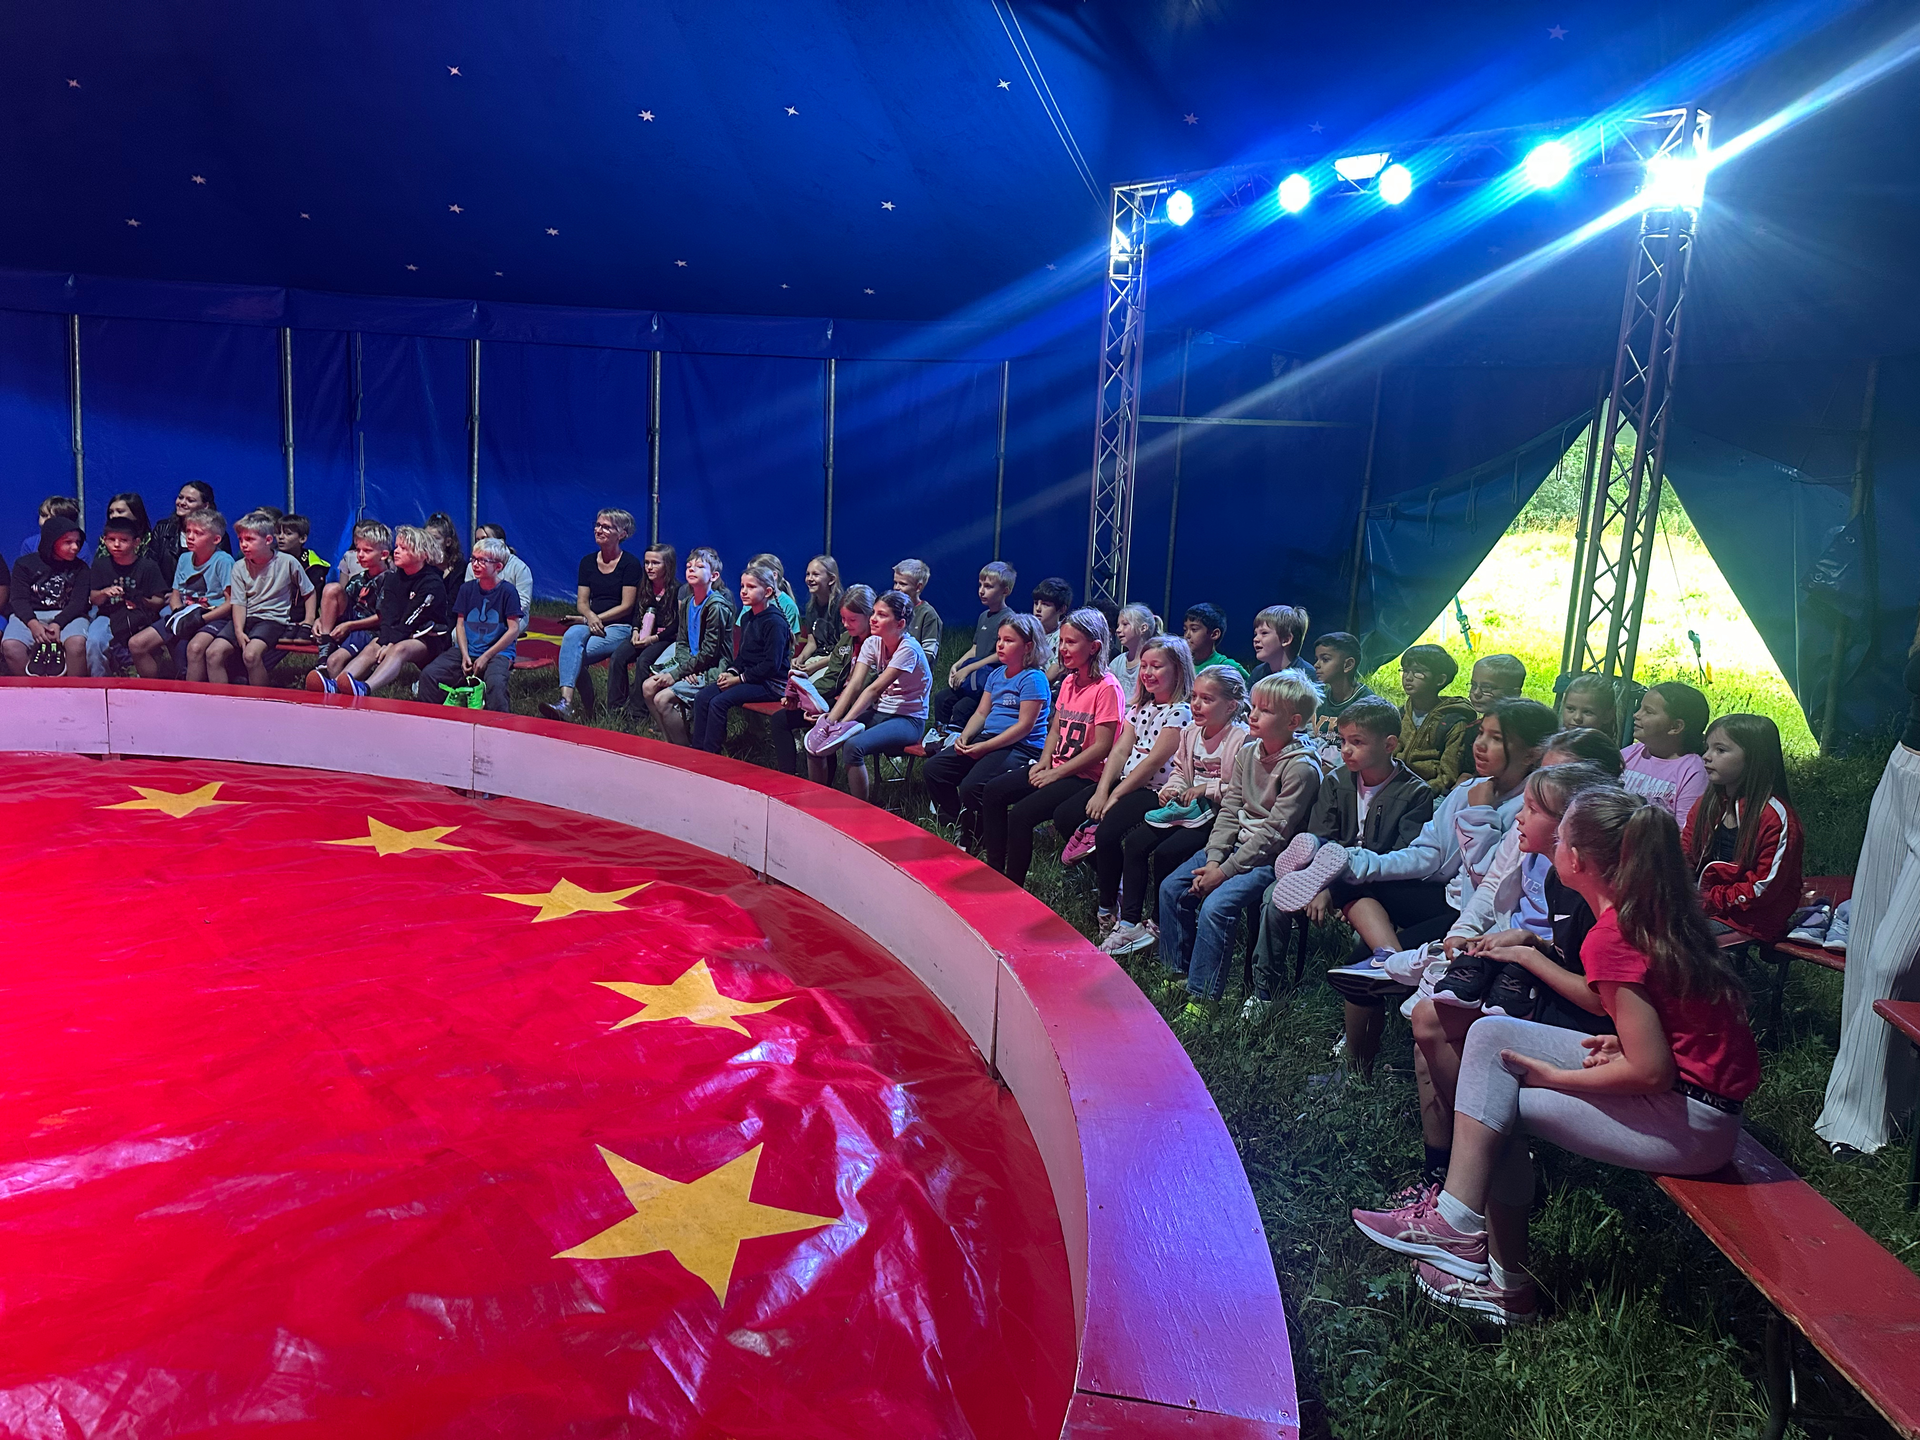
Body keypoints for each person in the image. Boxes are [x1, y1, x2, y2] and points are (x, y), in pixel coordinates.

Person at [1352, 788, 1758, 1327]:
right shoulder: (1644, 909)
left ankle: (1501, 1278)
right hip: (1692, 1096)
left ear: (1580, 860)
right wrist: (1539, 965)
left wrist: (1553, 1076)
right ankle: (1462, 1225)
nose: (1553, 846)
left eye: (1562, 838)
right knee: (1490, 1037)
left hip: (1694, 1121)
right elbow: (1647, 1016)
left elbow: (1651, 1071)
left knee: (1498, 1106)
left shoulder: (1612, 934)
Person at [1279, 698, 1559, 1075]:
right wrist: (1360, 862)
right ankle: (1387, 956)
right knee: (1348, 879)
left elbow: (1491, 885)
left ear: (1531, 753)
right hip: (1447, 897)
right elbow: (1428, 855)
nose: (1479, 745)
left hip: (1482, 919)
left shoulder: (1532, 808)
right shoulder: (1469, 789)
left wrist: (1480, 812)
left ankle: (1357, 1068)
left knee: (1356, 970)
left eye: (1496, 739)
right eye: (1480, 733)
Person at [1404, 761, 1623, 1197]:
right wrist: (1528, 942)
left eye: (1532, 810)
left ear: (1570, 829)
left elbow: (1601, 996)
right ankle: (1452, 1168)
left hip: (1600, 1027)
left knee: (1446, 1027)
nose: (1518, 818)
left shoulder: (1594, 895)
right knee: (1430, 1021)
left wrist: (1527, 954)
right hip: (1567, 993)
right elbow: (1571, 955)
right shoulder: (1560, 878)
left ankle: (1486, 1160)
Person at [1245, 696, 1435, 1014]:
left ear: (1389, 745)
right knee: (1275, 897)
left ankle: (1358, 1011)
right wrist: (1322, 884)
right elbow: (1323, 835)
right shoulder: (1335, 780)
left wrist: (1332, 889)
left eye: (1357, 742)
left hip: (1376, 882)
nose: (1345, 750)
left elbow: (1401, 858)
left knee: (1365, 930)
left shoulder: (1415, 793)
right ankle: (1267, 991)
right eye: (1343, 740)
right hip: (1323, 872)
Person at [1157, 673, 1323, 1021]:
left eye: (1266, 710)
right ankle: (1178, 972)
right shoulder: (1249, 752)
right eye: (1254, 706)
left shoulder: (1301, 768)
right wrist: (1214, 858)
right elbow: (1231, 810)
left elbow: (1275, 834)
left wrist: (1223, 873)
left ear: (1293, 722)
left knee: (1216, 907)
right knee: (1172, 888)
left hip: (1271, 859)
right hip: (1234, 850)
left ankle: (1204, 998)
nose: (1253, 715)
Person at [1816, 620, 1920, 1157]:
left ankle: (1870, 1120)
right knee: (1865, 948)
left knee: (1891, 960)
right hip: (1905, 769)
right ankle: (1865, 1110)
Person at [1102, 666, 1251, 958]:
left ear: (1231, 706)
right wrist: (1172, 788)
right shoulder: (1191, 732)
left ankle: (1160, 924)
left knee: (1167, 852)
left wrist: (1205, 790)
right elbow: (1180, 770)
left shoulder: (1240, 739)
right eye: (1194, 697)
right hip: (1187, 810)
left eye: (1207, 699)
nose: (1196, 704)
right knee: (1135, 843)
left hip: (1219, 817)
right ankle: (1130, 922)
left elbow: (1240, 789)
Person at [980, 609, 1125, 886]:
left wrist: (1056, 774)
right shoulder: (1069, 681)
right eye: (1061, 641)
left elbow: (1102, 748)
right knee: (993, 791)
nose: (1063, 648)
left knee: (1021, 815)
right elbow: (1056, 728)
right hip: (1057, 765)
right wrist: (1044, 761)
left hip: (1084, 776)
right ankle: (994, 868)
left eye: (1071, 642)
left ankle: (1012, 885)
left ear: (1094, 647)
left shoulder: (1107, 688)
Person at [1066, 636, 1198, 938]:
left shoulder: (1180, 712)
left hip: (1154, 791)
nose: (1147, 673)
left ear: (1178, 670)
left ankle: (1111, 909)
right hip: (1126, 783)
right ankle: (1114, 880)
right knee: (1068, 814)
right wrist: (1103, 790)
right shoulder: (1140, 708)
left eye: (1156, 666)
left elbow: (1153, 763)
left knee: (1108, 832)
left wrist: (1114, 797)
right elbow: (1120, 751)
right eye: (1144, 666)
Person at [923, 611, 1052, 846]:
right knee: (935, 769)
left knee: (972, 786)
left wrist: (985, 747)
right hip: (989, 738)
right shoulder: (997, 674)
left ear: (1028, 646)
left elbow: (1024, 726)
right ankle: (957, 822)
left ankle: (978, 837)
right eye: (999, 639)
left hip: (1021, 747)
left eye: (1009, 640)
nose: (1000, 645)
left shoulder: (1033, 679)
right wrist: (964, 737)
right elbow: (982, 713)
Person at [1682, 713, 1804, 943]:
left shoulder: (1774, 817)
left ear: (1753, 759)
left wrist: (1703, 901)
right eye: (1707, 748)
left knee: (1675, 939)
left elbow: (1762, 888)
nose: (1706, 756)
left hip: (1751, 918)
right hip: (1705, 903)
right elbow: (1685, 855)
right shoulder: (1707, 804)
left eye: (1720, 750)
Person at [807, 589, 930, 803]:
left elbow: (873, 690)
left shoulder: (909, 649)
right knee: (818, 740)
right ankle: (817, 799)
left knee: (853, 746)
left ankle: (861, 811)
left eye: (882, 615)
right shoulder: (873, 642)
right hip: (880, 712)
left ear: (900, 624)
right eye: (873, 612)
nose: (873, 618)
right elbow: (854, 685)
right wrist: (831, 721)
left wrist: (843, 725)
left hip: (908, 720)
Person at [319, 526, 449, 696]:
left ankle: (365, 688)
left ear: (423, 554)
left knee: (399, 649)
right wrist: (385, 640)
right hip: (400, 632)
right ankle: (336, 684)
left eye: (404, 548)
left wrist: (391, 643)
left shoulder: (432, 583)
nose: (397, 551)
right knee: (373, 646)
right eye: (397, 546)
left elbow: (412, 619)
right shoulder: (393, 578)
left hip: (428, 639)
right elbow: (388, 615)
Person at [543, 509, 644, 723]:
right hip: (593, 621)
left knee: (574, 656)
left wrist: (595, 619)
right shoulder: (588, 562)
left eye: (606, 527)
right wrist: (589, 617)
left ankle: (587, 710)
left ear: (622, 534)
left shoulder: (630, 564)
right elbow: (582, 602)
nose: (599, 530)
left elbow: (627, 606)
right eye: (597, 525)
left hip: (619, 626)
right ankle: (566, 702)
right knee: (572, 636)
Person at [196, 510, 317, 687]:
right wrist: (238, 631)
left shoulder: (287, 562)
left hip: (272, 620)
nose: (243, 545)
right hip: (247, 618)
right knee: (213, 653)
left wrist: (309, 619)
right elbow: (238, 603)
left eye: (249, 539)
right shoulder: (239, 567)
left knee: (251, 655)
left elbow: (309, 592)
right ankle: (222, 699)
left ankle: (259, 698)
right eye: (240, 540)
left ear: (268, 540)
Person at [772, 585, 874, 777]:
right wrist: (804, 700)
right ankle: (787, 776)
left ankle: (826, 784)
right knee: (780, 719)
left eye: (852, 620)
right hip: (836, 700)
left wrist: (828, 714)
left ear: (870, 616)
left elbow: (867, 688)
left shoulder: (878, 643)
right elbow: (832, 676)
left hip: (859, 707)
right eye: (842, 619)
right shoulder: (847, 639)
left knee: (821, 725)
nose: (845, 624)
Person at [692, 562, 793, 753]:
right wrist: (731, 672)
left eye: (751, 587)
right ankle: (698, 749)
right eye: (742, 586)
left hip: (771, 683)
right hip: (751, 678)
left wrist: (739, 680)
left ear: (768, 592)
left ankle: (711, 754)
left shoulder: (774, 622)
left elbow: (771, 665)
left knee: (719, 702)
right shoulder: (748, 617)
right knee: (702, 697)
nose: (744, 591)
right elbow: (744, 656)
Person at [415, 537, 525, 711]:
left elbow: (513, 629)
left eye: (482, 560)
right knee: (430, 674)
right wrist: (465, 654)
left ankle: (497, 723)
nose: (475, 564)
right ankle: (431, 717)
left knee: (496, 683)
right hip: (468, 649)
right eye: (473, 559)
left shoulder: (508, 591)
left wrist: (486, 656)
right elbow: (460, 624)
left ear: (498, 567)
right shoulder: (467, 589)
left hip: (498, 652)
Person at [641, 547, 734, 746]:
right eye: (689, 566)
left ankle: (683, 749)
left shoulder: (716, 607)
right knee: (648, 687)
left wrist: (678, 673)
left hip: (712, 668)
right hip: (691, 665)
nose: (691, 569)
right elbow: (682, 641)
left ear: (713, 576)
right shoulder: (688, 602)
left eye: (699, 567)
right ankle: (669, 741)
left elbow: (710, 653)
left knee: (662, 699)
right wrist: (684, 668)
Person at [131, 509, 233, 680]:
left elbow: (231, 602)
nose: (190, 537)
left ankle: (194, 693)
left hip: (213, 617)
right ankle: (152, 688)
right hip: (186, 614)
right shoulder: (184, 558)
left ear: (216, 539)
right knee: (136, 644)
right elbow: (175, 595)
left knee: (195, 648)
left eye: (198, 533)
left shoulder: (223, 561)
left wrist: (200, 619)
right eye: (188, 531)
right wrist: (180, 614)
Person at [933, 561, 1017, 735]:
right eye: (980, 585)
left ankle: (958, 740)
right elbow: (975, 648)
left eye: (988, 586)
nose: (981, 590)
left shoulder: (1009, 619)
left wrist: (970, 668)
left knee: (963, 708)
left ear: (1005, 591)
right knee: (942, 698)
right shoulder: (983, 616)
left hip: (989, 681)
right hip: (973, 679)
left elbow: (1000, 655)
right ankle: (940, 737)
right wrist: (957, 665)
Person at [307, 523, 393, 688]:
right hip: (351, 623)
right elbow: (342, 603)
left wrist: (349, 626)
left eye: (367, 551)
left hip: (369, 629)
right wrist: (320, 620)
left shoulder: (390, 580)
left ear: (383, 555)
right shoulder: (358, 579)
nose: (360, 555)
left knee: (334, 662)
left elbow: (383, 618)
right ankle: (324, 649)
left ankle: (336, 688)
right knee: (332, 588)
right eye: (358, 550)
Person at [4, 516, 92, 677]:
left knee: (77, 644)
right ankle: (31, 687)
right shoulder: (24, 564)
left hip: (68, 614)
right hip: (31, 615)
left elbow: (78, 603)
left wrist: (58, 623)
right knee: (11, 646)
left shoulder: (81, 568)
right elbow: (18, 600)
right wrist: (33, 624)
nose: (75, 547)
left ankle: (74, 688)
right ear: (51, 542)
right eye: (68, 542)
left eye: (77, 542)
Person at [603, 542, 681, 716]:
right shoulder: (644, 586)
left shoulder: (677, 590)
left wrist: (653, 639)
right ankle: (615, 707)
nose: (649, 567)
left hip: (664, 638)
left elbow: (676, 625)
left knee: (644, 661)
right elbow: (637, 613)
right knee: (618, 657)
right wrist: (635, 631)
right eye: (646, 563)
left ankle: (638, 711)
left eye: (655, 563)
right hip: (643, 634)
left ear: (668, 565)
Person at [84, 515, 166, 676]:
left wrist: (140, 600)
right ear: (104, 540)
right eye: (111, 539)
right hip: (108, 615)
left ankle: (143, 679)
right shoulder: (101, 564)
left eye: (123, 540)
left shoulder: (148, 566)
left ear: (136, 542)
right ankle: (101, 682)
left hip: (140, 616)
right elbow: (94, 599)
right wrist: (104, 592)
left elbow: (159, 601)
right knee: (94, 641)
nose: (116, 544)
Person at [1621, 681, 1710, 822]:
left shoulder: (1692, 772)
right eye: (1640, 708)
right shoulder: (1629, 754)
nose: (1636, 715)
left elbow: (1684, 828)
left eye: (1648, 711)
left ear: (1675, 727)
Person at [1397, 643, 1476, 795]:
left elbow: (1448, 774)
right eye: (1405, 670)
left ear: (1440, 680)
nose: (1408, 677)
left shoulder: (1452, 722)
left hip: (1429, 793)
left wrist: (1420, 791)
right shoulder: (1401, 714)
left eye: (1418, 672)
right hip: (1395, 785)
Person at [148, 482, 232, 564]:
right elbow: (151, 566)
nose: (182, 503)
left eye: (190, 500)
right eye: (180, 497)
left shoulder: (217, 534)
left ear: (205, 506)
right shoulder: (162, 529)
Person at [1310, 631, 1378, 732]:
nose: (1316, 665)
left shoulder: (1368, 706)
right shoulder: (1320, 700)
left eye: (1325, 659)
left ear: (1348, 665)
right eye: (1317, 659)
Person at [791, 554, 844, 675]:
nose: (809, 579)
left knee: (813, 682)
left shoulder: (841, 607)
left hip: (836, 660)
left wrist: (815, 666)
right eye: (808, 574)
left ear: (831, 579)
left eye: (815, 574)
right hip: (818, 657)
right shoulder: (811, 608)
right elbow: (812, 642)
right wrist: (800, 658)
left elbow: (843, 650)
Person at [465, 523, 534, 612]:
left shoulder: (519, 568)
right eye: (477, 540)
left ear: (500, 542)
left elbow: (523, 602)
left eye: (484, 539)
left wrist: (500, 615)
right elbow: (468, 596)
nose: (480, 543)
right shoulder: (472, 566)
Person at [1106, 602, 1160, 701]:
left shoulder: (1153, 663)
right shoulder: (1117, 663)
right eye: (1118, 625)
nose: (1118, 630)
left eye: (1125, 624)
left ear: (1143, 628)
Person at [1248, 605, 1314, 685]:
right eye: (1256, 634)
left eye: (1264, 633)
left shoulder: (1307, 676)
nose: (1255, 639)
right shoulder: (1257, 673)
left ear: (1286, 640)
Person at [275, 514, 332, 600]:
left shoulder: (313, 565)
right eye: (278, 533)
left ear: (302, 539)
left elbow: (314, 597)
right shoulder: (269, 558)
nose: (281, 537)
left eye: (288, 533)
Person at [892, 558, 942, 656]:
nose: (896, 588)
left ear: (918, 587)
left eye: (903, 584)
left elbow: (928, 655)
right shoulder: (890, 609)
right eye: (895, 582)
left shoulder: (927, 615)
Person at [1182, 602, 1246, 677]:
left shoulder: (1226, 666)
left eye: (1194, 629)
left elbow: (1252, 684)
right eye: (1185, 630)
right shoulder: (1182, 664)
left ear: (1215, 634)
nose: (1187, 635)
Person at [1030, 576, 1072, 677]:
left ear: (1062, 609)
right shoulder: (1028, 631)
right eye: (1036, 603)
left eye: (1045, 604)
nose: (1038, 609)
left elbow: (1058, 666)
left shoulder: (1063, 634)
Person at [1558, 672, 1621, 740]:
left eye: (1587, 712)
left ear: (1607, 716)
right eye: (1570, 709)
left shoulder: (1603, 746)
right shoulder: (1555, 740)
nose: (1577, 718)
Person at [93, 493, 152, 564]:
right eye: (111, 512)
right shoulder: (105, 539)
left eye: (120, 511)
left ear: (136, 514)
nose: (114, 516)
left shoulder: (149, 539)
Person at [18, 496, 79, 560]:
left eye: (53, 517)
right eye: (44, 515)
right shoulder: (30, 544)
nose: (47, 521)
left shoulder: (78, 545)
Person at [424, 512, 464, 591]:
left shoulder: (460, 567)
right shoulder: (421, 565)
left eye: (435, 538)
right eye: (427, 538)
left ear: (448, 542)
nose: (430, 543)